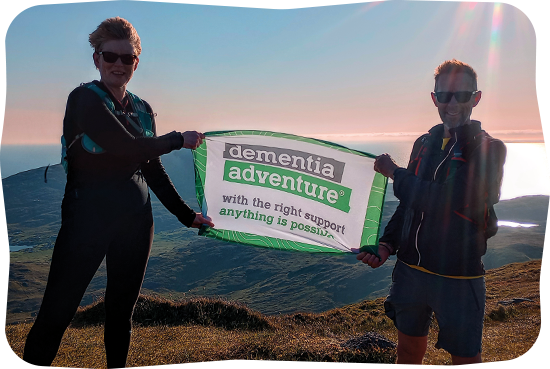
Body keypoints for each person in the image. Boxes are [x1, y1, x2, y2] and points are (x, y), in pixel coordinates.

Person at [22, 17, 214, 368]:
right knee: (55, 315)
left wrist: (187, 216)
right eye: (111, 56)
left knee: (121, 314)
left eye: (127, 59)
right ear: (96, 58)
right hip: (86, 223)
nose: (119, 65)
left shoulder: (141, 108)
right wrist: (176, 139)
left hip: (136, 225)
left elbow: (152, 168)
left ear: (136, 63)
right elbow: (124, 147)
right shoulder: (83, 99)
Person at [356, 59, 506, 369]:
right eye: (444, 96)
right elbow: (409, 205)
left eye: (462, 95)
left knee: (466, 362)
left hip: (459, 277)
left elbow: (444, 201)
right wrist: (386, 245)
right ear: (434, 98)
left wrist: (396, 173)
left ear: (476, 98)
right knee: (408, 354)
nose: (452, 103)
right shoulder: (423, 143)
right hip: (411, 271)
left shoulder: (489, 149)